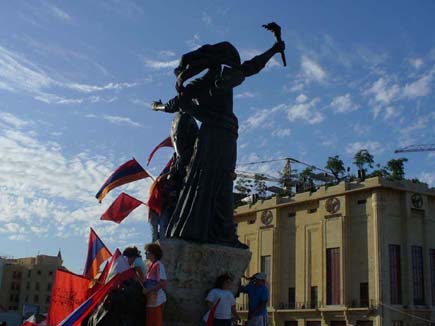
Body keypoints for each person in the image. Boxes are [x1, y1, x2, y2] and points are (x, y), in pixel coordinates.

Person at [152, 40, 285, 247]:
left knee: (211, 183)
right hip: (220, 137)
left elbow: (173, 105)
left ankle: (218, 232)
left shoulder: (202, 83)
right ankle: (222, 233)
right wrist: (274, 50)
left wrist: (158, 106)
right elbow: (252, 66)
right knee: (221, 183)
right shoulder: (224, 76)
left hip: (216, 136)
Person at [143, 243, 168, 326]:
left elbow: (163, 283)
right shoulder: (152, 265)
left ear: (153, 253)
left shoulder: (158, 265)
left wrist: (147, 290)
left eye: (147, 252)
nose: (145, 254)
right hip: (152, 300)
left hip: (157, 301)